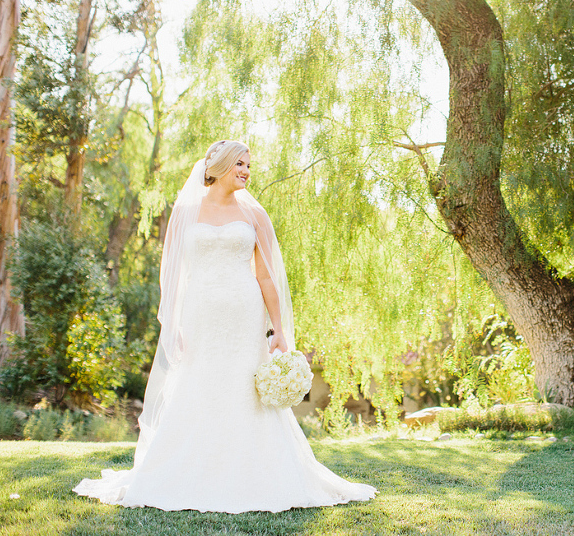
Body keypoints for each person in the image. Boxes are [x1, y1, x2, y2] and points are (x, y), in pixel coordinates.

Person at [73, 139, 376, 513]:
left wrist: (277, 329)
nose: (246, 171)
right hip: (200, 313)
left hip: (244, 313)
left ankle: (257, 473)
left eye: (249, 165)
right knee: (199, 382)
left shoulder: (255, 216)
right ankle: (185, 469)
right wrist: (174, 322)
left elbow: (267, 279)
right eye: (239, 165)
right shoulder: (186, 210)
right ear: (217, 168)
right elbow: (175, 276)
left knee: (242, 384)